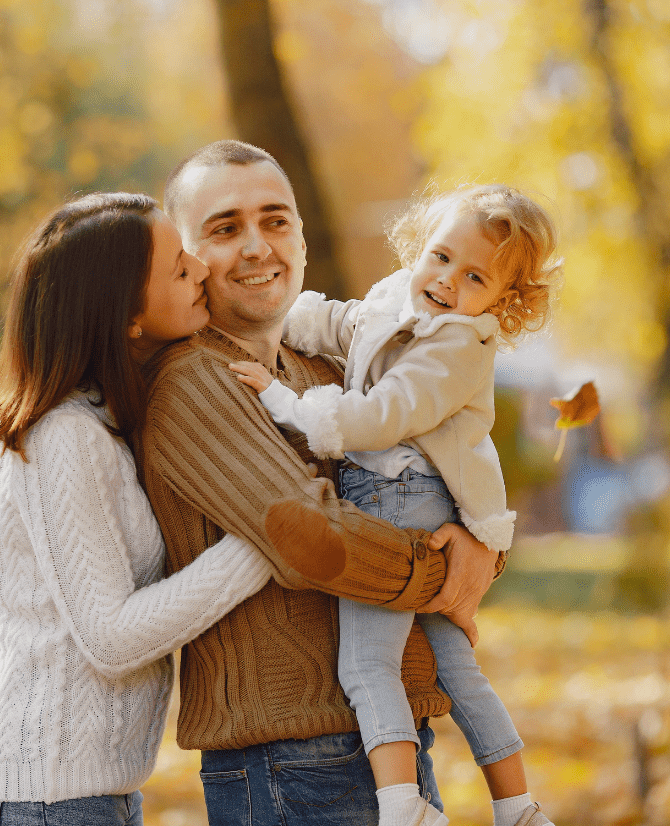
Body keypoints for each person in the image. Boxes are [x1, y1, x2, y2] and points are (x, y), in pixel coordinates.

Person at [138, 140, 504, 826]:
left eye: (275, 221)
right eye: (225, 228)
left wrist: (484, 549)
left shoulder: (326, 373)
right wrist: (445, 572)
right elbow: (316, 540)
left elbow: (443, 470)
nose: (257, 246)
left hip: (380, 743)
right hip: (288, 762)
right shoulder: (195, 382)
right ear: (186, 259)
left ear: (301, 238)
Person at [230, 184, 563, 826]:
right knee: (451, 663)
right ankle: (519, 808)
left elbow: (387, 414)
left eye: (474, 277)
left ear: (503, 301)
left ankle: (402, 806)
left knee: (365, 663)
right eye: (439, 257)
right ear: (420, 245)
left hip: (399, 493)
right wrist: (274, 320)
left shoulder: (458, 347)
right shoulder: (397, 297)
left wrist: (287, 403)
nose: (446, 282)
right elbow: (341, 322)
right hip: (409, 492)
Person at [0, 192, 287, 826]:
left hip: (75, 790)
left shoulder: (92, 424)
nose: (201, 271)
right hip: (46, 797)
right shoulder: (63, 439)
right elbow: (111, 636)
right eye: (178, 267)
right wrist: (266, 541)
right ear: (124, 314)